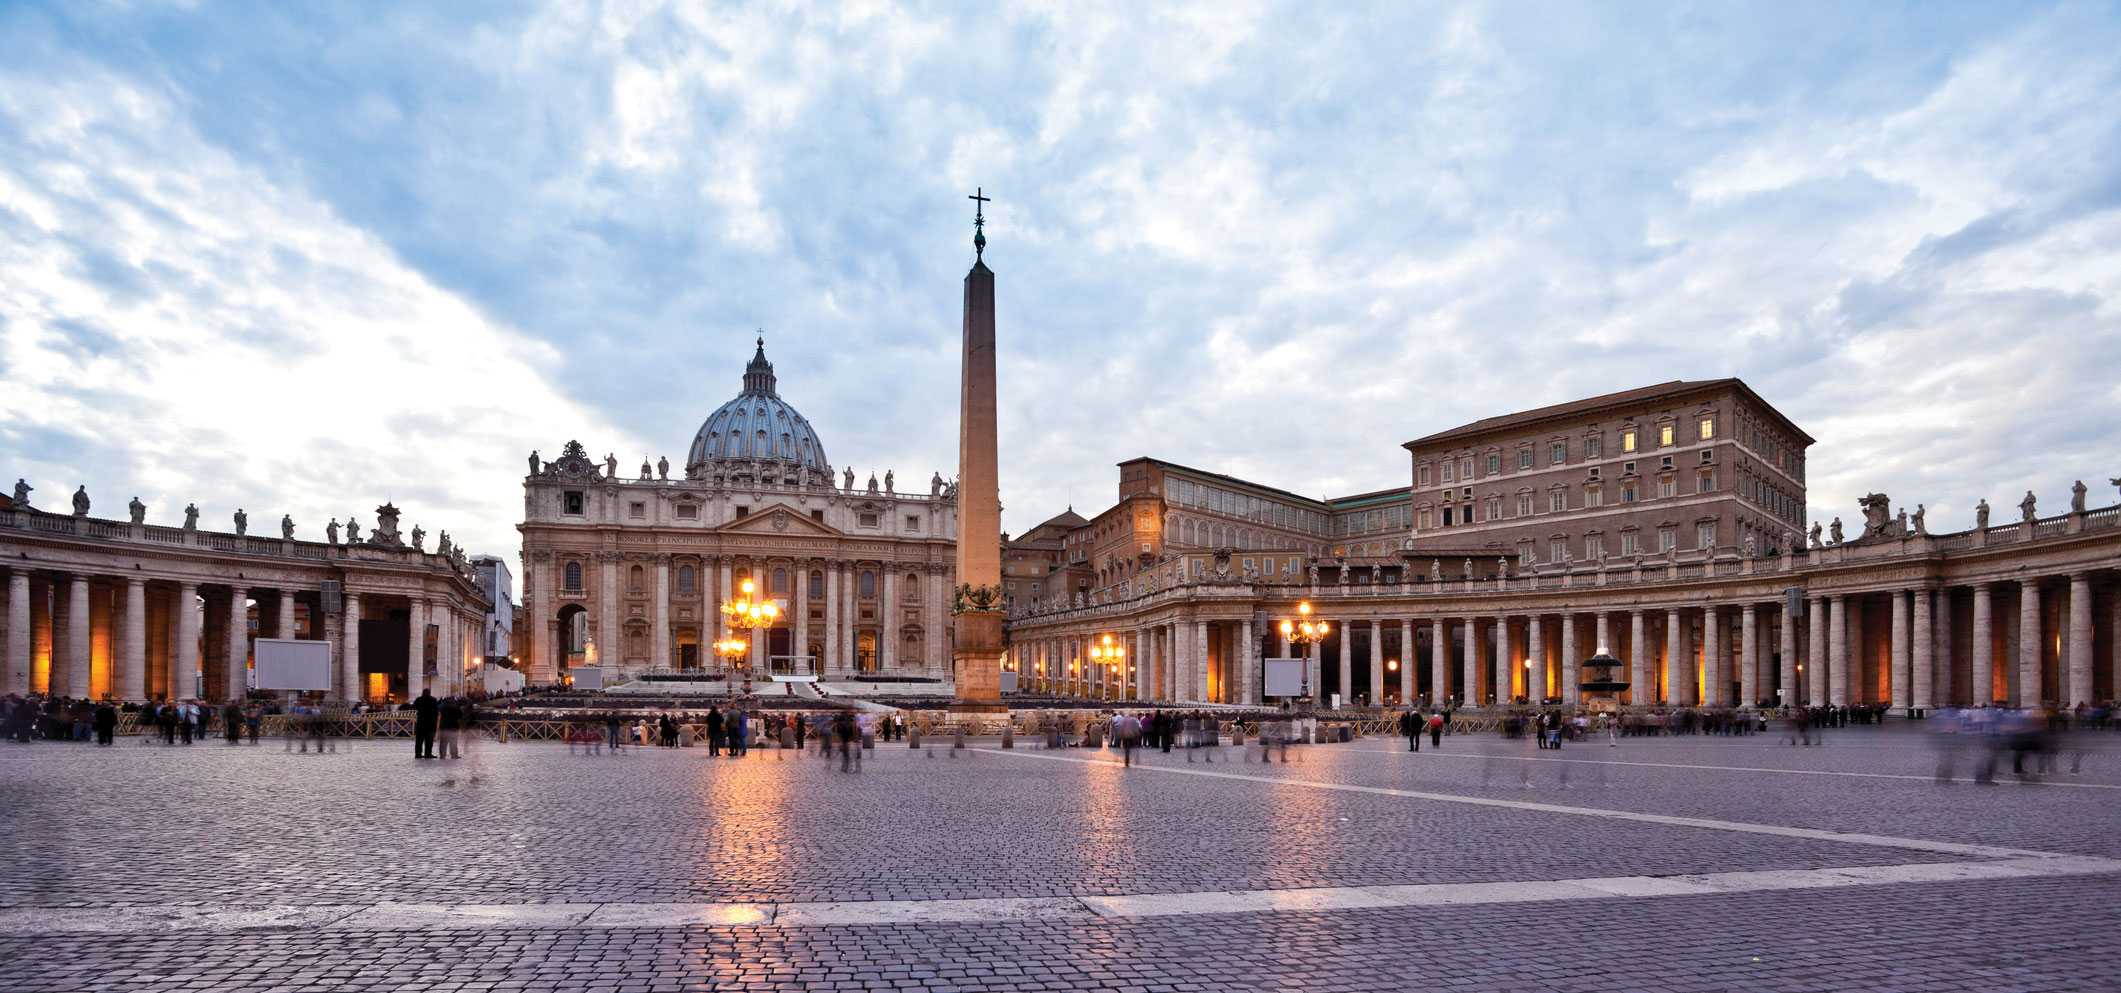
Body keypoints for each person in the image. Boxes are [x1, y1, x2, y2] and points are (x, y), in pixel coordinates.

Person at [412, 689, 439, 759]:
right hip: (430, 723)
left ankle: (418, 754)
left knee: (419, 740)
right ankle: (428, 754)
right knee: (429, 740)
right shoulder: (433, 700)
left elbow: (414, 707)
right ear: (429, 693)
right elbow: (436, 711)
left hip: (421, 722)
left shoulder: (419, 699)